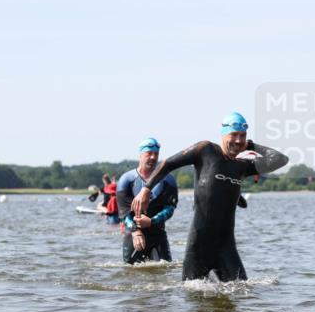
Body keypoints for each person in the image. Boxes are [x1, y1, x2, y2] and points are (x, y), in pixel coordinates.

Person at [131, 112, 288, 281]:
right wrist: (146, 189)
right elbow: (169, 163)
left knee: (242, 293)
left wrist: (250, 145)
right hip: (198, 247)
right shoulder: (205, 150)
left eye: (242, 136)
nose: (238, 140)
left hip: (226, 247)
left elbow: (280, 159)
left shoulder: (243, 165)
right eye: (233, 135)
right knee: (193, 296)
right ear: (223, 134)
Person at [116, 137, 178, 264]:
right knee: (130, 275)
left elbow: (170, 208)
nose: (153, 157)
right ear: (141, 155)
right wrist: (135, 230)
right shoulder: (126, 180)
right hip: (134, 236)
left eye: (156, 154)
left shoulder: (168, 179)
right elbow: (123, 213)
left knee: (164, 271)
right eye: (149, 153)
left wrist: (151, 221)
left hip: (158, 234)